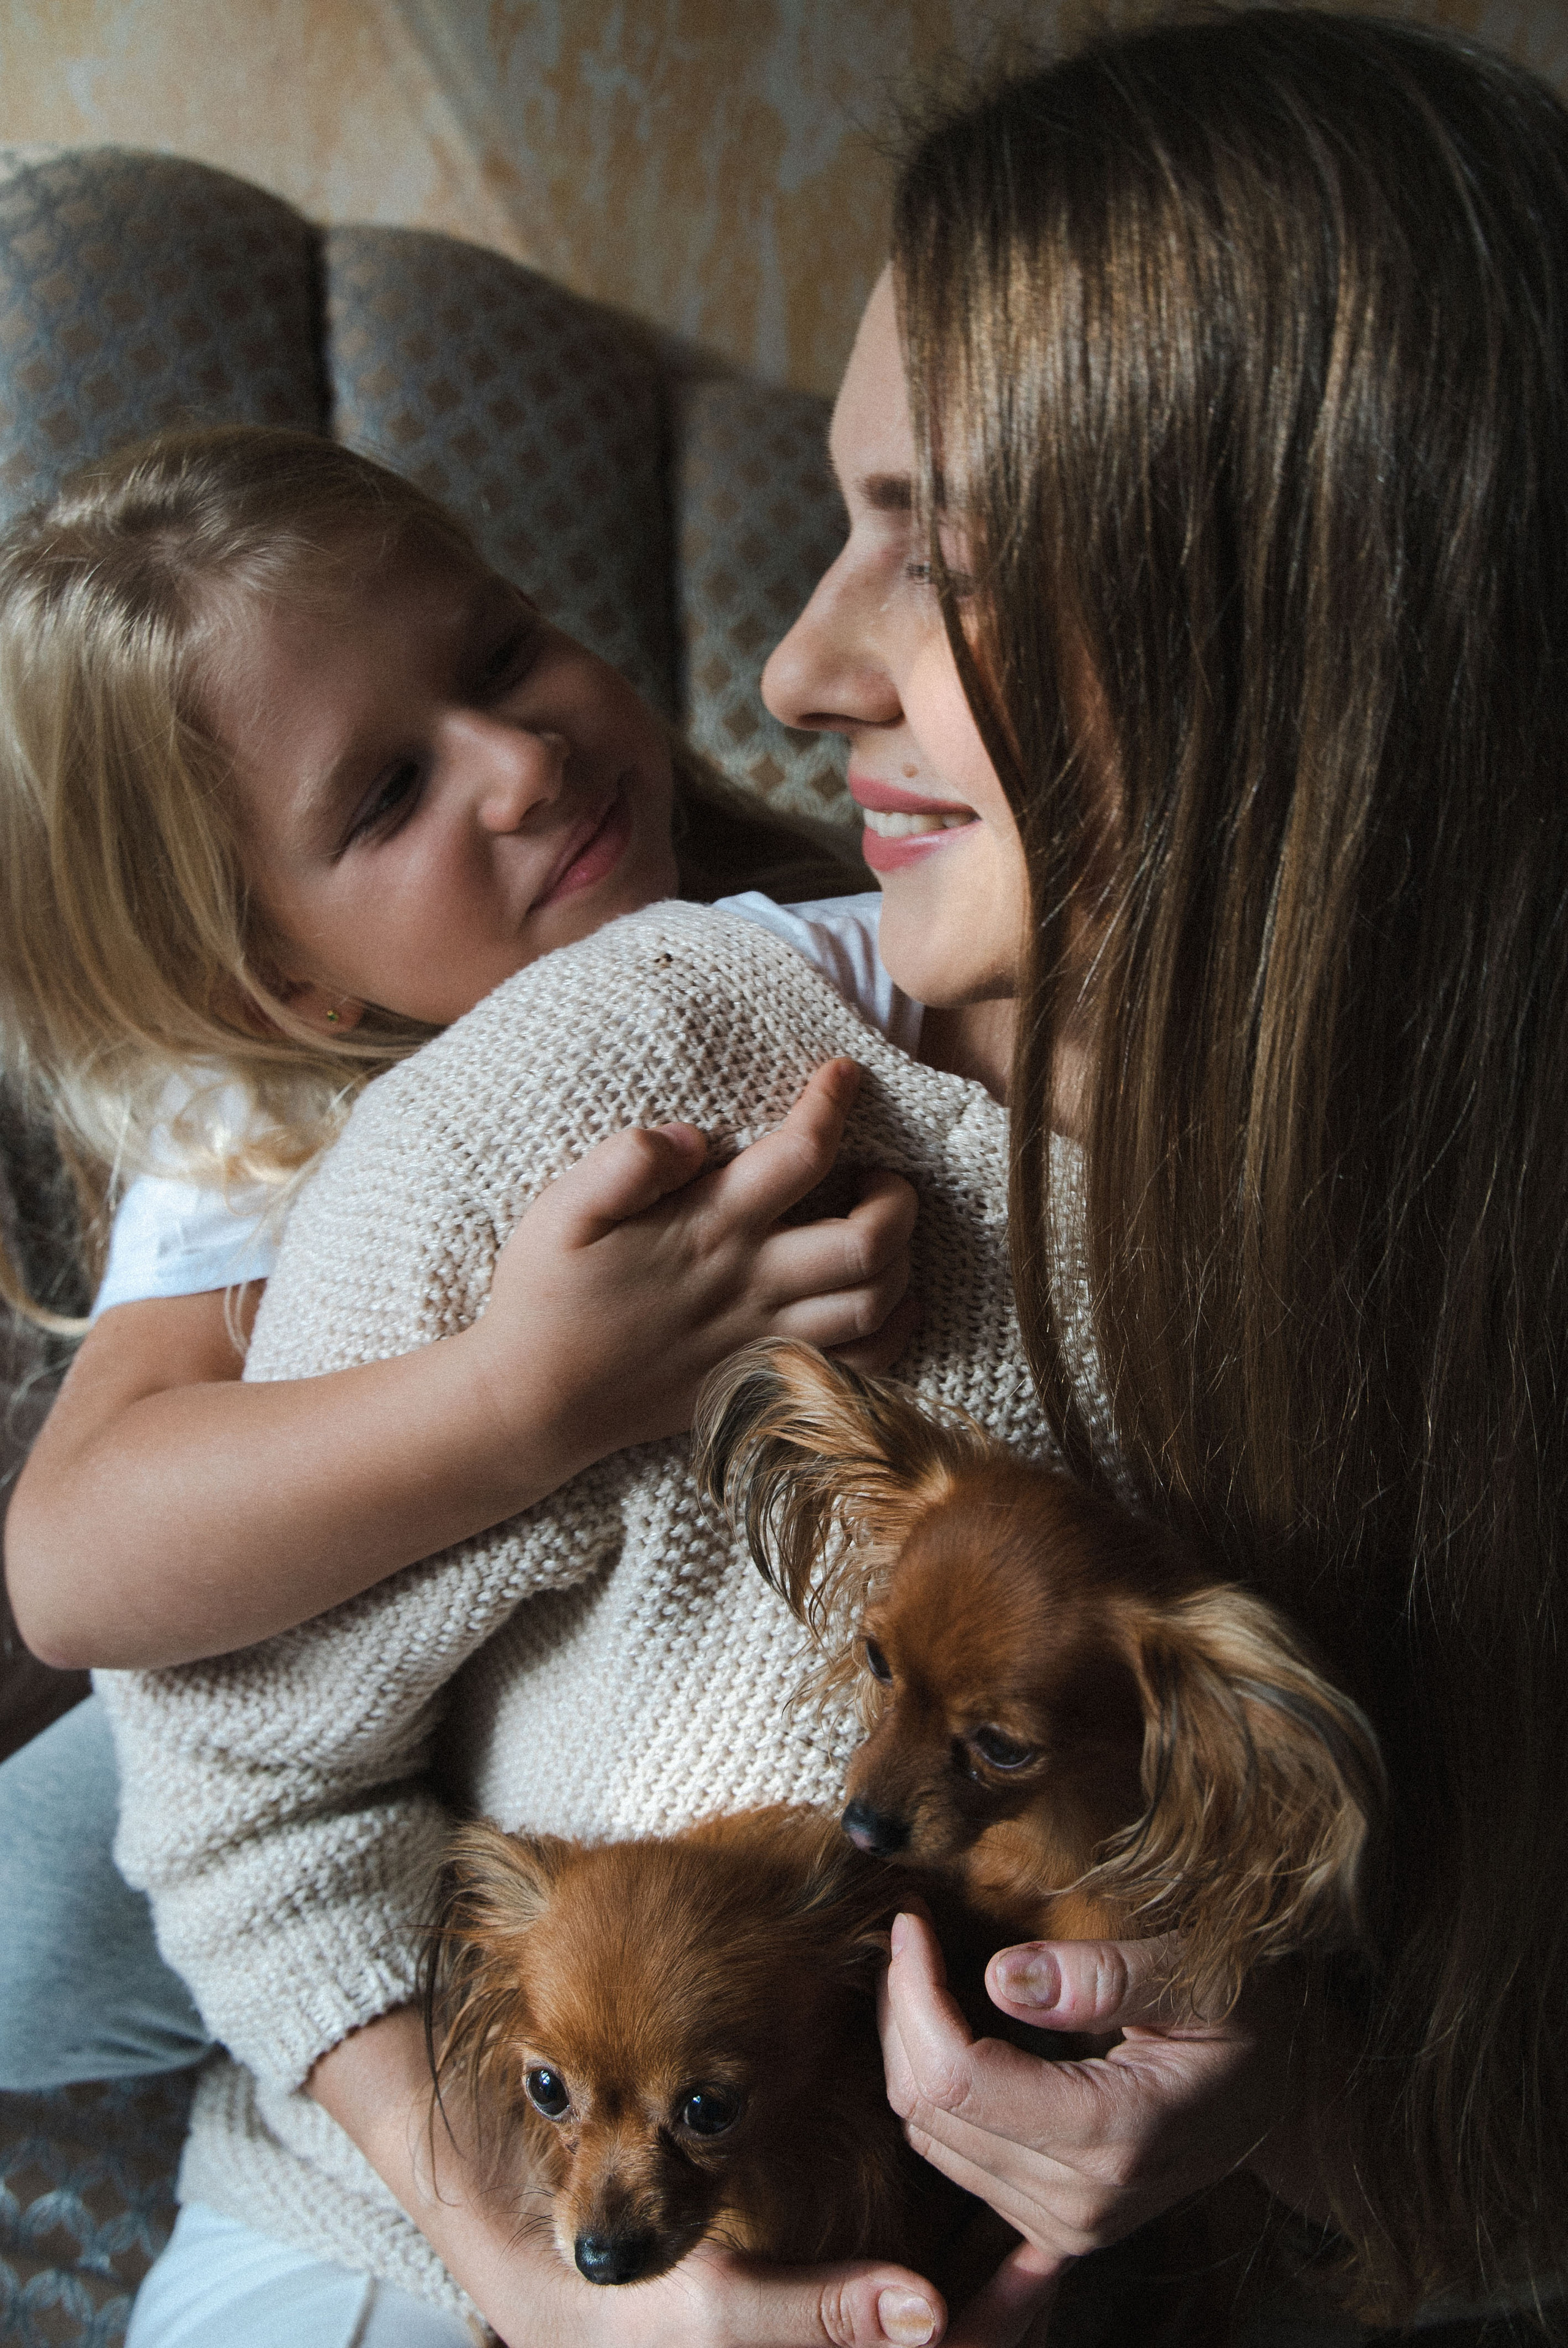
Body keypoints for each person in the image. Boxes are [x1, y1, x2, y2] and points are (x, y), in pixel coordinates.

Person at [760, 9, 1567, 2337]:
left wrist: (1285, 2100)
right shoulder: (756, 1045)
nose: (804, 664)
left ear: (1312, 624)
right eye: (845, 521)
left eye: (948, 545)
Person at [0, 422, 929, 2099]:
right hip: (356, 1724)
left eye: (501, 653)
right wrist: (526, 1394)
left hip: (646, 1708)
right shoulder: (267, 1118)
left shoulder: (815, 919)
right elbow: (71, 1560)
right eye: (386, 793)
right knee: (24, 1937)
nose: (518, 760)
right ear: (291, 985)